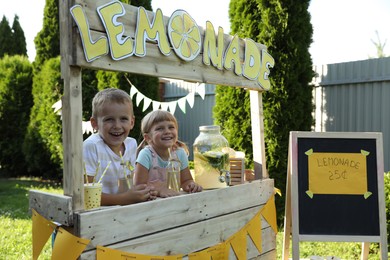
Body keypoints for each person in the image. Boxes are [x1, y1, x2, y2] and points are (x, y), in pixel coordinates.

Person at [83, 88, 157, 205]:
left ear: (132, 122)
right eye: (109, 119)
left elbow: (131, 181)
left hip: (124, 210)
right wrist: (126, 199)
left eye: (123, 119)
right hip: (98, 214)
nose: (117, 126)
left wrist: (144, 192)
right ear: (95, 124)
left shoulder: (131, 143)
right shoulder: (92, 146)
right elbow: (85, 194)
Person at [134, 109, 203, 197]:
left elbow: (186, 181)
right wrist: (159, 190)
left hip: (173, 201)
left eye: (171, 127)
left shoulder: (180, 153)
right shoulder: (146, 155)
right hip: (151, 204)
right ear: (148, 138)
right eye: (159, 128)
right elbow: (139, 187)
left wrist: (191, 185)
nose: (167, 131)